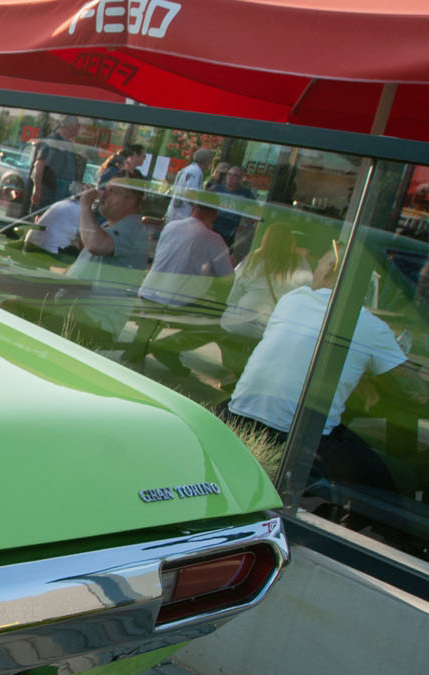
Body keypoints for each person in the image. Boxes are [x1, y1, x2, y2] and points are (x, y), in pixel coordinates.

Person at [221, 251, 421, 497]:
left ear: (327, 271)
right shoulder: (371, 326)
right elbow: (414, 391)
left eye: (318, 265)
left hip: (237, 417)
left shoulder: (292, 300)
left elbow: (301, 353)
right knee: (401, 478)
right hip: (302, 439)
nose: (315, 271)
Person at [218, 222, 313, 372]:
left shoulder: (253, 259)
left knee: (226, 323)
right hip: (274, 328)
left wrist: (233, 307)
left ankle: (234, 368)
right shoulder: (301, 264)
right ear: (291, 241)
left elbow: (233, 295)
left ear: (265, 239)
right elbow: (305, 296)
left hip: (240, 323)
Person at [64, 174, 148, 340]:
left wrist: (85, 205)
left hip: (96, 320)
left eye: (113, 191)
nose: (103, 194)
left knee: (18, 309)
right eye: (105, 190)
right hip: (81, 310)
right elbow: (87, 245)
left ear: (130, 200)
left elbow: (96, 245)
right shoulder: (108, 226)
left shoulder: (132, 229)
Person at [138, 198, 234, 309]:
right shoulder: (214, 239)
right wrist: (230, 264)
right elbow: (227, 279)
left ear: (193, 208)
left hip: (147, 292)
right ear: (214, 215)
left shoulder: (171, 226)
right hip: (174, 303)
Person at [29, 116, 85, 212]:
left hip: (64, 194)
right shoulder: (52, 142)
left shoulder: (69, 145)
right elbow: (39, 165)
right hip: (50, 191)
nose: (79, 128)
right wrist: (37, 190)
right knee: (42, 217)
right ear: (68, 126)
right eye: (77, 125)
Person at [24, 185, 87, 256]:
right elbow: (84, 243)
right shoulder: (83, 211)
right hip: (51, 251)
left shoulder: (61, 203)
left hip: (29, 243)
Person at [207, 164, 256, 248]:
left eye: (235, 175)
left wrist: (246, 226)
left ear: (240, 179)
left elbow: (255, 212)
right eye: (229, 174)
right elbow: (204, 205)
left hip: (229, 233)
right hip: (212, 229)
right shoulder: (216, 189)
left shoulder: (246, 194)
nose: (231, 177)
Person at [165, 146, 214, 221]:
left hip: (174, 212)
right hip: (183, 215)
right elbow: (190, 194)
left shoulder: (186, 169)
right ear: (206, 161)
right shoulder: (196, 172)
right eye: (209, 161)